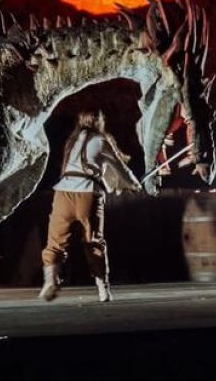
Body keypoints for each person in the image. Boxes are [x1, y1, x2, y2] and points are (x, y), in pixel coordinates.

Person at [39, 110, 141, 303]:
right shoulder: (101, 140)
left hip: (62, 193)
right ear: (98, 121)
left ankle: (50, 280)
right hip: (87, 194)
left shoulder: (71, 141)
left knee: (55, 242)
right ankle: (103, 289)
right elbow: (119, 167)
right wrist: (134, 184)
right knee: (93, 242)